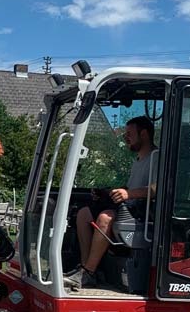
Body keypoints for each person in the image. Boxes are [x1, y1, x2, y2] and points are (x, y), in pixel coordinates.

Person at [65, 116, 157, 290]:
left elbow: (156, 189)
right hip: (129, 207)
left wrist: (128, 193)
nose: (125, 138)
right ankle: (87, 270)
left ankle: (88, 272)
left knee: (105, 218)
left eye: (129, 134)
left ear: (144, 134)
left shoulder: (156, 158)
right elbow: (132, 187)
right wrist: (108, 192)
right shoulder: (138, 160)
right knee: (84, 214)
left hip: (142, 213)